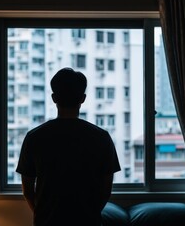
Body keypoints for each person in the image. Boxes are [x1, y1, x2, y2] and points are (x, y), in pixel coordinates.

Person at [16, 67, 121, 226]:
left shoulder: (34, 137)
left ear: (54, 98)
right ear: (83, 98)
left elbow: (28, 190)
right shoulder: (101, 137)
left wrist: (42, 213)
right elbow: (106, 191)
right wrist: (90, 213)